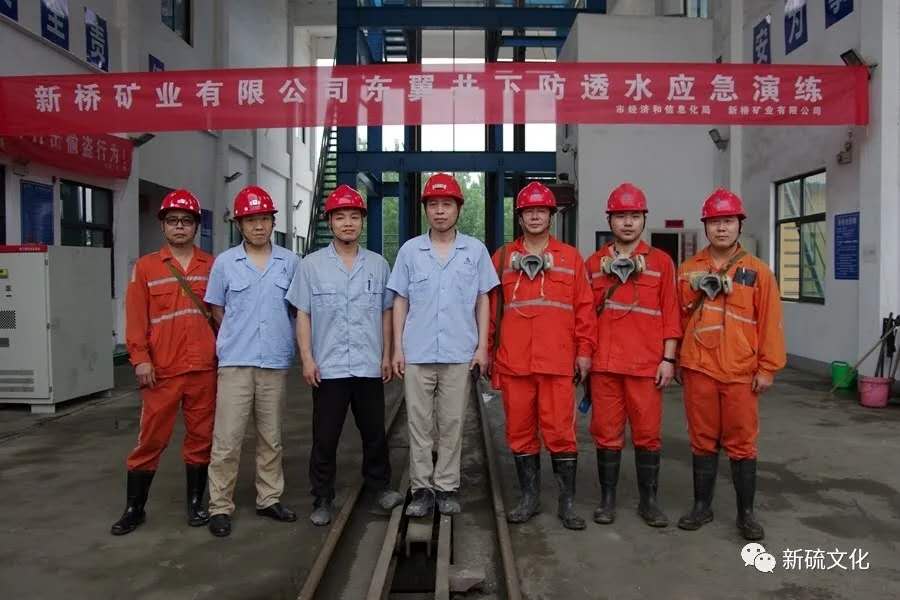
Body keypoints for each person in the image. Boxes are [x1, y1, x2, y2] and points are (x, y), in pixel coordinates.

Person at [286, 185, 403, 526]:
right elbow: (303, 313)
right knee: (325, 437)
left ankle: (380, 487)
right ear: (330, 222)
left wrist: (386, 354)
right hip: (329, 367)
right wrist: (307, 358)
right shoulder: (311, 266)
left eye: (354, 216)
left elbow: (385, 313)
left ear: (362, 221)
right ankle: (323, 497)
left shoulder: (378, 265)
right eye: (340, 217)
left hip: (368, 363)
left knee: (374, 432)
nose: (348, 223)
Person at [676, 188, 786, 541]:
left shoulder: (758, 273)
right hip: (698, 369)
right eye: (714, 222)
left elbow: (770, 323)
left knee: (742, 444)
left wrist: (767, 368)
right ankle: (701, 507)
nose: (721, 228)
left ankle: (746, 514)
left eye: (728, 221)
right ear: (705, 226)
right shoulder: (688, 271)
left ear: (739, 225)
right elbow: (677, 319)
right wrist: (675, 360)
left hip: (740, 372)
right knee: (702, 441)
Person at [388, 173, 499, 517]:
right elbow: (400, 300)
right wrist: (397, 349)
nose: (439, 211)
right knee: (419, 424)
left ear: (458, 209)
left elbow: (483, 299)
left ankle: (447, 486)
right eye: (433, 204)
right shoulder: (410, 251)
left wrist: (482, 348)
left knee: (452, 423)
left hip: (459, 352)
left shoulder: (475, 251)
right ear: (425, 209)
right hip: (418, 352)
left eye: (446, 204)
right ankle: (421, 489)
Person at [489, 181, 596, 531]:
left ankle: (567, 504)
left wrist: (584, 352)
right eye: (529, 212)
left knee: (561, 432)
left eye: (541, 211)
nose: (535, 217)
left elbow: (584, 308)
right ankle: (529, 499)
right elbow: (491, 310)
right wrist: (487, 352)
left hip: (557, 362)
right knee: (520, 432)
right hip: (515, 363)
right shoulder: (502, 258)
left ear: (551, 216)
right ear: (520, 217)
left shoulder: (570, 258)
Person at [112, 189, 217, 535]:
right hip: (162, 371)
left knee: (201, 438)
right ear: (163, 225)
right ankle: (134, 508)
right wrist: (140, 359)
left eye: (186, 221)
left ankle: (195, 504)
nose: (179, 227)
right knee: (151, 439)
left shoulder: (212, 266)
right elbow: (135, 318)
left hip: (204, 368)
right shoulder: (146, 267)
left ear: (196, 226)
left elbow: (222, 315)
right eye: (173, 221)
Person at [204, 185, 300, 537]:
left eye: (264, 219)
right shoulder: (225, 263)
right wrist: (237, 337)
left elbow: (296, 310)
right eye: (250, 220)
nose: (258, 226)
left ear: (273, 222)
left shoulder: (290, 263)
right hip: (236, 363)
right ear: (239, 225)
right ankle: (220, 506)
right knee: (227, 439)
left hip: (274, 362)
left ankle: (269, 498)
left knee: (271, 437)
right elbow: (218, 309)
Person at [584, 182, 681, 528]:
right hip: (605, 365)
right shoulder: (594, 264)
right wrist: (584, 358)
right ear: (609, 220)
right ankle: (607, 500)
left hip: (646, 365)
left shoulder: (662, 263)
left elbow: (671, 313)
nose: (628, 222)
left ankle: (648, 502)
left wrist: (668, 359)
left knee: (647, 435)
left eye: (635, 216)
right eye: (621, 216)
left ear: (644, 219)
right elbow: (584, 317)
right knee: (606, 433)